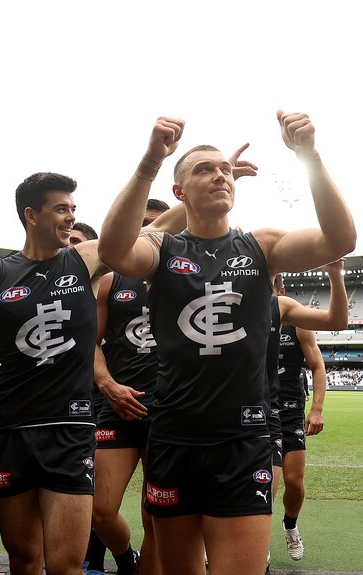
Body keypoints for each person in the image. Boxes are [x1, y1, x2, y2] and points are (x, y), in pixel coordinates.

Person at [97, 113, 355, 575]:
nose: (219, 174)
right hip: (173, 437)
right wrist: (151, 162)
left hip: (243, 440)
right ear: (179, 192)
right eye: (203, 169)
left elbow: (341, 238)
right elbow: (114, 251)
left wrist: (309, 155)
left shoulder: (263, 245)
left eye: (223, 169)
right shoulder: (162, 250)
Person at [0, 173, 185, 575]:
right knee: (24, 560)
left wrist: (193, 187)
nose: (70, 218)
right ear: (31, 215)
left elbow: (157, 228)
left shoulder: (86, 260)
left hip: (70, 431)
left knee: (66, 566)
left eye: (73, 209)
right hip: (13, 431)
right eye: (61, 209)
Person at [91, 201, 170, 575]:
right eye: (141, 224)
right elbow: (90, 342)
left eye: (155, 225)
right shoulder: (111, 280)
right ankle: (126, 561)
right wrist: (108, 385)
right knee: (100, 510)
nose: (147, 231)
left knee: (156, 515)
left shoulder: (181, 275)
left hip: (169, 408)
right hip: (118, 405)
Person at [272, 261, 347, 562]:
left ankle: (290, 525)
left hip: (290, 409)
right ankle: (254, 541)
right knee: (267, 482)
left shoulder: (296, 322)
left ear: (282, 291)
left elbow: (317, 366)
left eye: (271, 292)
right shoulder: (245, 318)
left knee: (294, 481)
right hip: (259, 410)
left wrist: (316, 410)